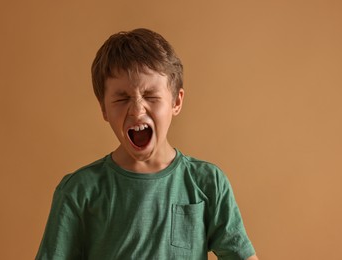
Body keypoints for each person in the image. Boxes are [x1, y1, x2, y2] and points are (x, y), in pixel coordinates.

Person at [36, 28, 258, 260]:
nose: (136, 109)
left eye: (151, 95)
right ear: (104, 109)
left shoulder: (208, 182)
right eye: (122, 99)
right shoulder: (79, 191)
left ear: (176, 101)